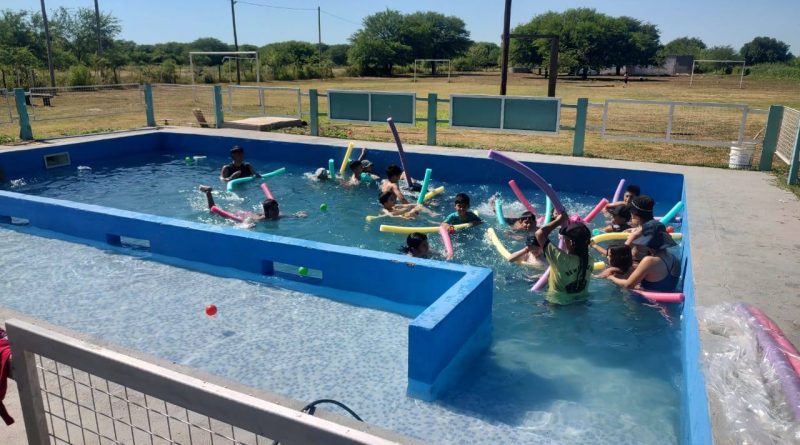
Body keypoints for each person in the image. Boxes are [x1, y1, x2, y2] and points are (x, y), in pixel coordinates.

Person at [534, 212, 593, 305]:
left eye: (565, 239)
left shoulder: (560, 259)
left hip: (557, 304)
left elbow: (539, 234)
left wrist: (559, 220)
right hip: (581, 301)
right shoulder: (590, 260)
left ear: (571, 243)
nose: (564, 241)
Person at [605, 220, 680, 292]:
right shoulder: (674, 258)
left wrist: (610, 277)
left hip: (649, 300)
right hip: (664, 297)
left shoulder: (649, 260)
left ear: (648, 242)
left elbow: (628, 285)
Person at [199, 185, 306, 224]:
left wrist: (297, 215)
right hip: (241, 215)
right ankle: (208, 192)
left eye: (276, 209)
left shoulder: (278, 216)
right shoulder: (260, 219)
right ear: (267, 212)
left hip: (251, 213)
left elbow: (288, 216)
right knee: (212, 211)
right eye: (273, 210)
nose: (276, 211)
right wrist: (246, 225)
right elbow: (247, 220)